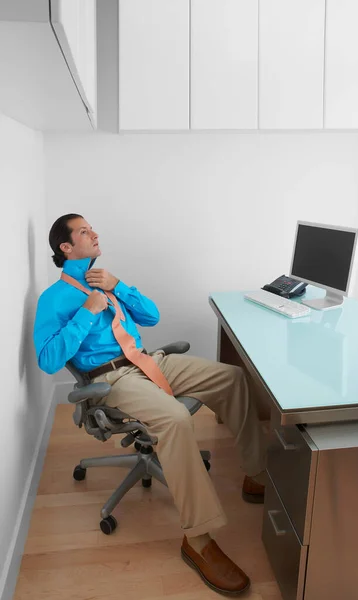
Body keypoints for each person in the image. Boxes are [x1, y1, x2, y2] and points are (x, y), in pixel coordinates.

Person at [34, 213, 268, 596]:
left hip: (148, 360)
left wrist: (119, 286)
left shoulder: (103, 280)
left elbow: (152, 316)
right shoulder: (54, 298)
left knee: (232, 377)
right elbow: (47, 359)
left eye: (93, 228)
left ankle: (257, 473)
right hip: (112, 377)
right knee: (176, 419)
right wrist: (86, 311)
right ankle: (197, 541)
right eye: (84, 231)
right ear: (65, 247)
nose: (94, 233)